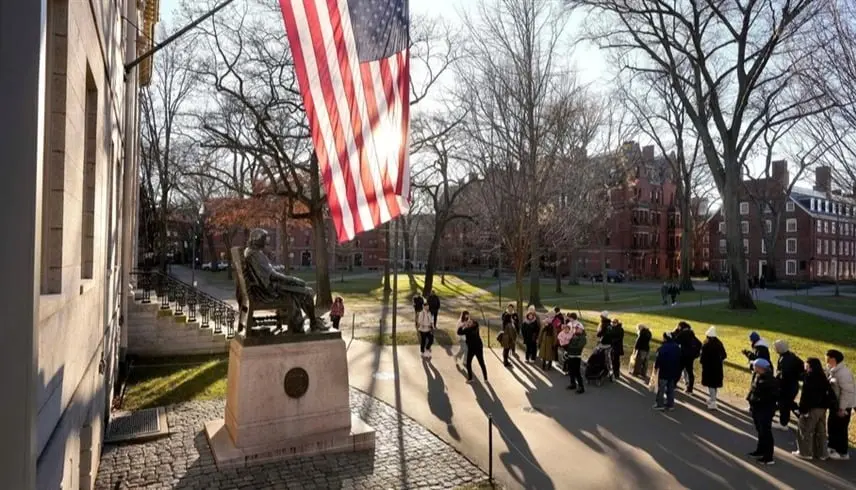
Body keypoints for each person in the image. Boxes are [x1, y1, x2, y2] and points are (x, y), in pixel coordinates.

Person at [792, 358, 832, 460]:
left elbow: (807, 396)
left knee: (805, 429)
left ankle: (805, 453)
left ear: (810, 366)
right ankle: (822, 453)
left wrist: (803, 410)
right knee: (821, 431)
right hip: (822, 408)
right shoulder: (823, 377)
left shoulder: (809, 378)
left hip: (811, 408)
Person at [747, 358, 779, 465]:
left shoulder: (769, 380)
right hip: (757, 408)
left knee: (766, 432)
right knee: (760, 431)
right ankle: (760, 450)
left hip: (765, 410)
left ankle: (768, 457)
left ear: (761, 368)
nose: (753, 368)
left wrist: (757, 400)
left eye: (755, 366)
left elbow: (770, 396)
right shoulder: (758, 376)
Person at [826, 349, 856, 461]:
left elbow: (847, 392)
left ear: (833, 359)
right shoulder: (833, 370)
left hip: (843, 406)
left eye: (827, 357)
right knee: (833, 425)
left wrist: (842, 408)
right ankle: (832, 447)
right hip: (836, 404)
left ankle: (842, 452)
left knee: (840, 428)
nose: (826, 360)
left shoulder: (843, 373)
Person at [773, 339, 804, 431]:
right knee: (789, 403)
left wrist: (777, 381)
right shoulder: (793, 356)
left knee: (784, 405)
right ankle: (801, 415)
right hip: (793, 385)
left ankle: (783, 424)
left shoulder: (784, 360)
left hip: (786, 386)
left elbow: (783, 375)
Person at [700, 326, 727, 410]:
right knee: (714, 384)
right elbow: (724, 355)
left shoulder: (706, 344)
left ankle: (713, 402)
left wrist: (702, 362)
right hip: (718, 367)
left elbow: (702, 357)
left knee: (710, 384)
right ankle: (712, 398)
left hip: (708, 368)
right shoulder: (719, 343)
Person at [653, 333, 682, 411]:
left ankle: (660, 404)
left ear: (665, 339)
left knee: (661, 388)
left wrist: (656, 368)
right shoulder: (677, 347)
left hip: (664, 370)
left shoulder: (663, 348)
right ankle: (670, 404)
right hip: (673, 371)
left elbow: (658, 359)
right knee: (670, 388)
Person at [675, 321, 702, 393]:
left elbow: (676, 340)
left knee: (678, 370)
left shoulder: (682, 334)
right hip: (690, 357)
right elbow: (699, 343)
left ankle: (674, 384)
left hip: (683, 355)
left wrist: (676, 331)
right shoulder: (691, 334)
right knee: (690, 372)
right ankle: (690, 389)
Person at [458, 319, 487, 384]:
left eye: (470, 322)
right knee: (481, 363)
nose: (468, 322)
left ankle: (470, 378)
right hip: (479, 347)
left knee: (469, 363)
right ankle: (485, 378)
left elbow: (459, 332)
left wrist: (462, 325)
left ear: (473, 324)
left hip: (472, 348)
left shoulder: (468, 329)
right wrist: (467, 325)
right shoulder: (476, 328)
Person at [565, 324, 587, 393]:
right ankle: (573, 384)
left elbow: (579, 347)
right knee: (571, 371)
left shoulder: (583, 338)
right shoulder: (574, 335)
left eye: (577, 328)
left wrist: (569, 347)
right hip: (570, 355)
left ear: (581, 329)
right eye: (575, 328)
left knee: (577, 372)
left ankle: (581, 387)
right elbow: (569, 343)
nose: (576, 329)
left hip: (576, 356)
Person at [597, 311, 614, 376]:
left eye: (601, 316)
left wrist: (598, 334)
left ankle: (609, 370)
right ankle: (608, 369)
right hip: (608, 342)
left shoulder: (604, 324)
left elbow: (600, 333)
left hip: (604, 342)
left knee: (605, 357)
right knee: (606, 357)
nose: (600, 317)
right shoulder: (609, 324)